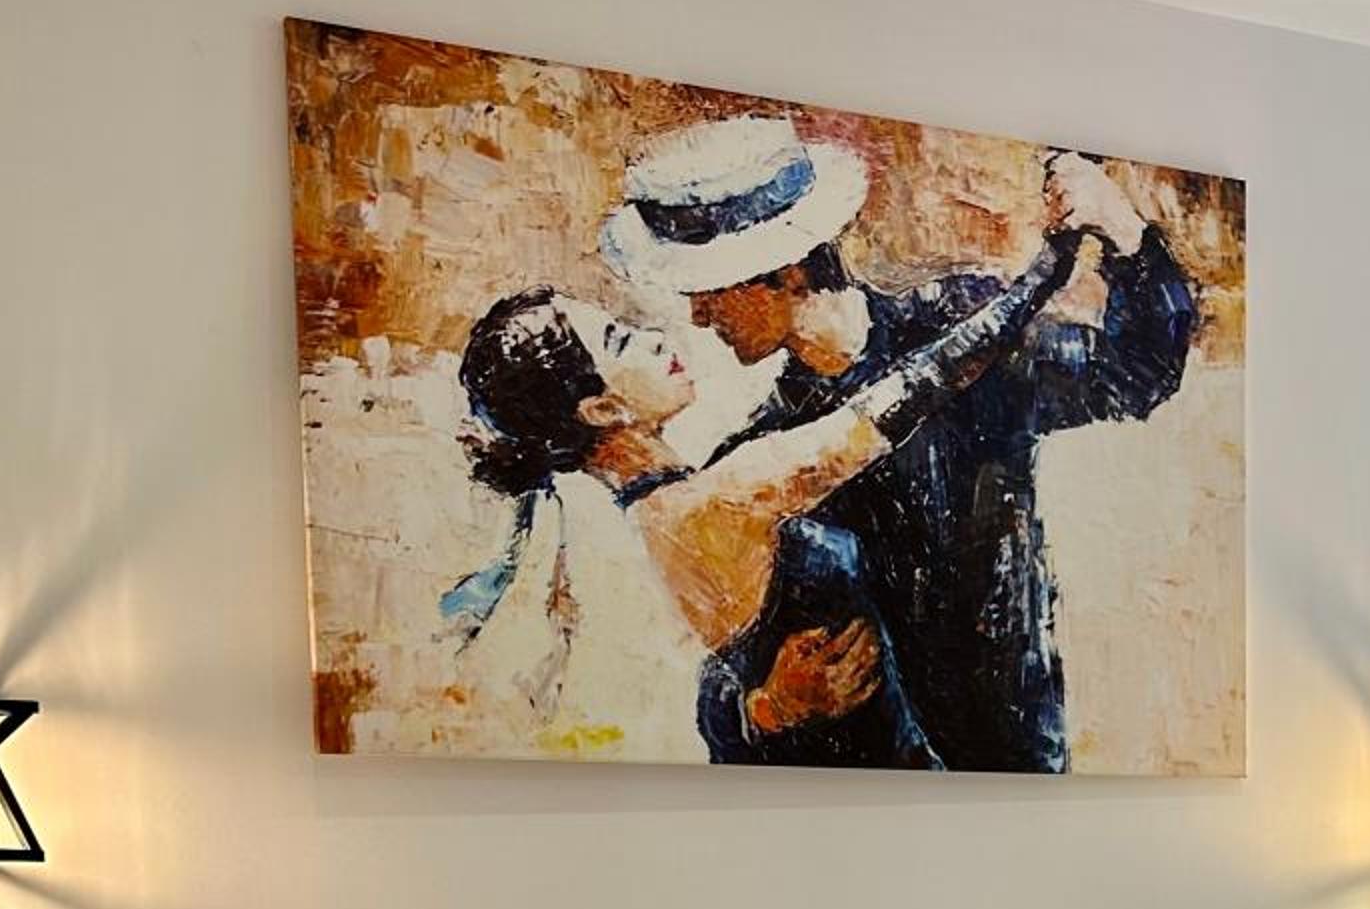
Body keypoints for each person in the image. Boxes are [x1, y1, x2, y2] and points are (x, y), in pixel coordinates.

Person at [606, 124, 1200, 771]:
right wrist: (765, 709)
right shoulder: (766, 458)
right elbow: (725, 666)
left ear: (784, 271)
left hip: (1015, 770)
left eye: (709, 289)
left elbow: (1136, 375)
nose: (698, 316)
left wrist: (1124, 233)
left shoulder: (957, 323)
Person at [439, 228, 1087, 760]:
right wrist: (1050, 266)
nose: (658, 336)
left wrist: (757, 710)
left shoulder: (659, 515)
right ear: (603, 409)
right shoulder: (716, 502)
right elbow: (921, 384)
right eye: (621, 340)